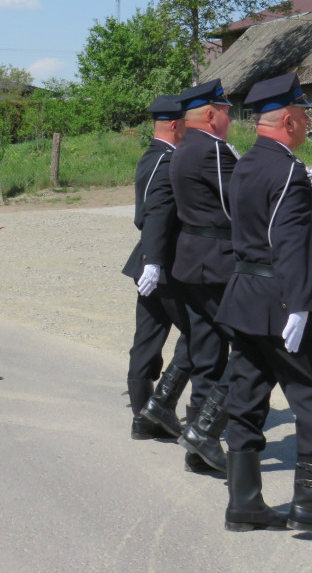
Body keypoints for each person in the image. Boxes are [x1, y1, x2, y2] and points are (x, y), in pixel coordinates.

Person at [216, 72, 312, 535]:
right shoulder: (288, 171)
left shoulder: (245, 164)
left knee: (247, 397)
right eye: (302, 115)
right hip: (281, 300)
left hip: (245, 296)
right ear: (291, 122)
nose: (304, 124)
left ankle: (244, 503)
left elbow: (254, 232)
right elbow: (288, 240)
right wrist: (301, 299)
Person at [168, 79, 237, 473]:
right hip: (217, 261)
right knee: (248, 347)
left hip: (193, 260)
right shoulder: (212, 149)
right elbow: (239, 204)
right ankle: (205, 433)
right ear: (211, 114)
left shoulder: (184, 147)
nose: (230, 119)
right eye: (226, 111)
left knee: (206, 351)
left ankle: (198, 439)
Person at [121, 95, 192, 440]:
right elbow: (156, 214)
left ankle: (143, 418)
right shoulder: (166, 160)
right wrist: (154, 260)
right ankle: (160, 404)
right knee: (199, 334)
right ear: (176, 125)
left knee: (147, 338)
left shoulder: (153, 156)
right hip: (165, 263)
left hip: (152, 261)